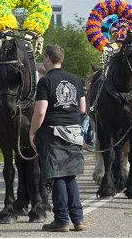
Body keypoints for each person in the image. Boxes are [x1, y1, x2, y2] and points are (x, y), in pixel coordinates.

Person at [29, 45, 86, 232]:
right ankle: (78, 219)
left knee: (57, 175)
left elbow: (40, 111)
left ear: (47, 58)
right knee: (70, 175)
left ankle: (61, 219)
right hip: (73, 130)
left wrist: (32, 132)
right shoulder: (75, 80)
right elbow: (82, 109)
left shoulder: (45, 82)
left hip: (53, 132)